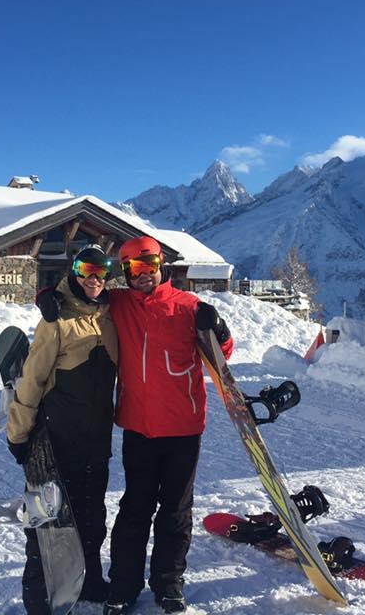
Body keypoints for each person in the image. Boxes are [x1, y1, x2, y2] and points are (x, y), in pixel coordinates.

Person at [43, 236, 234, 615]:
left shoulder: (188, 307)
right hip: (139, 427)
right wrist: (49, 295)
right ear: (126, 274)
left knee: (176, 511)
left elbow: (222, 354)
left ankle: (169, 584)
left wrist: (220, 328)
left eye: (149, 266)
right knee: (135, 509)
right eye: (134, 269)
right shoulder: (120, 304)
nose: (143, 275)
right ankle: (124, 586)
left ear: (161, 265)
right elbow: (82, 292)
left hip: (182, 427)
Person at [7, 245, 119, 613]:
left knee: (91, 516)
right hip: (57, 441)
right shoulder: (55, 319)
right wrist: (19, 433)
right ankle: (39, 598)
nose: (93, 280)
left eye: (100, 273)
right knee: (47, 523)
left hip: (96, 438)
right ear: (74, 271)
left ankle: (87, 582)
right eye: (86, 270)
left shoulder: (111, 314)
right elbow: (32, 378)